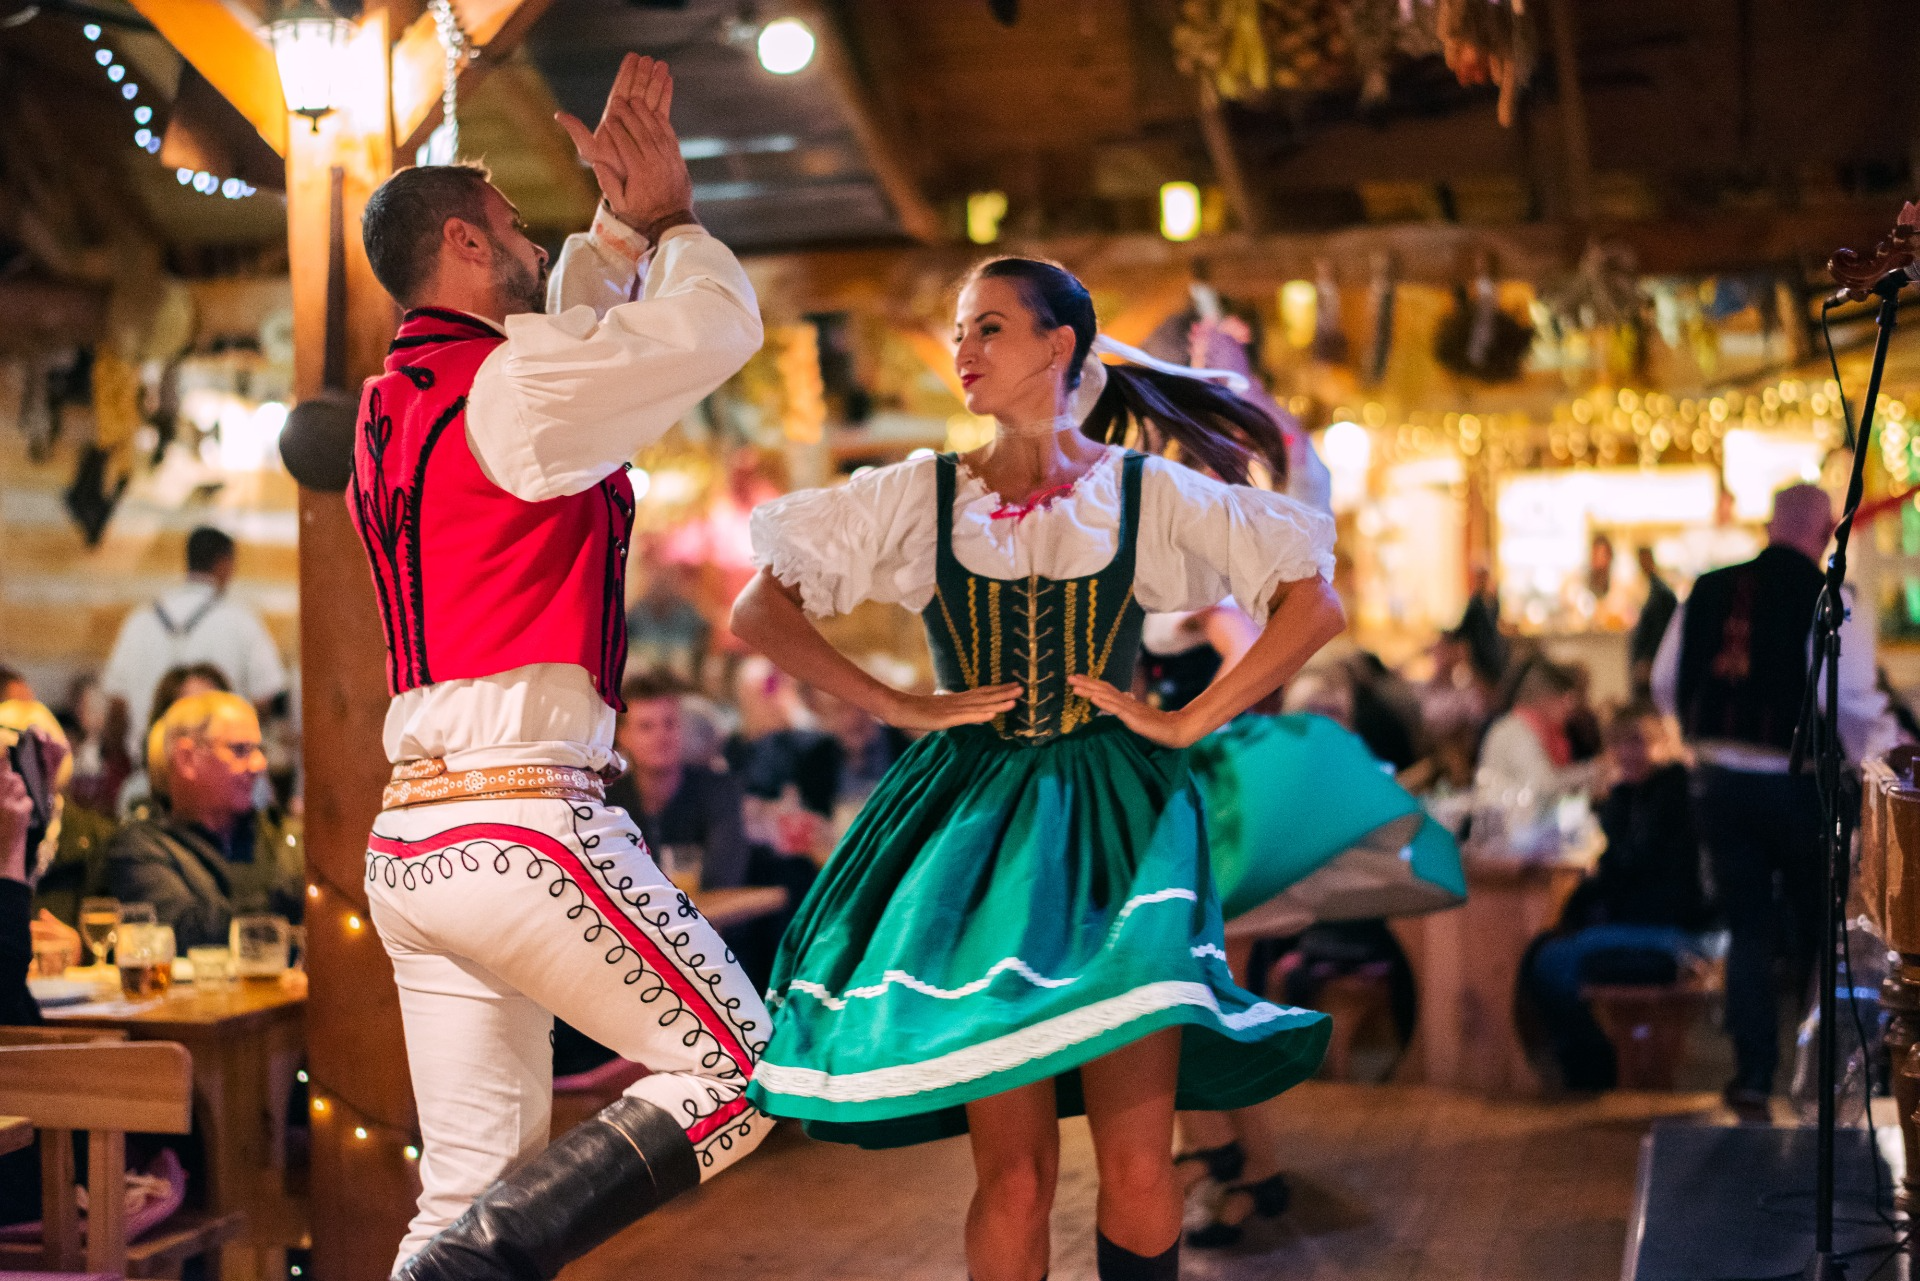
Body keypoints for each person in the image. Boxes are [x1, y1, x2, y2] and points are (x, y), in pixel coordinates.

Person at [733, 254, 1350, 1281]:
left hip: (1120, 825)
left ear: (1059, 345)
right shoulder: (921, 494)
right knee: (1012, 1176)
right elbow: (760, 607)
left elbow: (1312, 601)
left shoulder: (1144, 496)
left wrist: (1193, 719)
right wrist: (896, 704)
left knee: (1139, 1159)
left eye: (990, 329)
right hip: (975, 837)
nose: (964, 352)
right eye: (962, 332)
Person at [348, 56, 771, 1281]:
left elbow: (561, 344)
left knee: (464, 1189)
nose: (536, 246)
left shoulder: (401, 401)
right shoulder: (516, 390)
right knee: (741, 1072)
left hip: (416, 852)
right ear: (470, 244)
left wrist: (612, 230)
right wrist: (673, 223)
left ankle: (461, 1259)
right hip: (522, 828)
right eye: (519, 228)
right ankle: (474, 1269)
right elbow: (706, 329)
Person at [1652, 483, 1903, 1112]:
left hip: (1716, 782)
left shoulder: (1705, 588)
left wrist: (1698, 738)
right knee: (1822, 924)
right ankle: (1819, 1078)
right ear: (1825, 534)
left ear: (1769, 525)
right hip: (1791, 784)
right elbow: (1843, 700)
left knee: (1748, 927)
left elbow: (1664, 680)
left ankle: (1753, 1074)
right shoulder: (1830, 597)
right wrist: (1884, 754)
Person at [1523, 702, 1711, 1089]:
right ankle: (1593, 1063)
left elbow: (1633, 865)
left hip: (1671, 932)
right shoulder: (1630, 796)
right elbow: (1617, 870)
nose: (1628, 754)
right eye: (1620, 745)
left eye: (1638, 743)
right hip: (1644, 922)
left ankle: (1595, 1070)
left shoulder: (1673, 791)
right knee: (1542, 948)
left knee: (1548, 960)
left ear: (1660, 745)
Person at [102, 692, 302, 948]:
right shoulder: (141, 848)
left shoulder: (283, 835)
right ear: (187, 759)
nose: (259, 764)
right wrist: (291, 898)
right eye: (240, 750)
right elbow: (184, 934)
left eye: (259, 750)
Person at [99, 526, 287, 754]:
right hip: (220, 766)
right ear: (224, 563)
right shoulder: (241, 621)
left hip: (150, 763)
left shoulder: (140, 620)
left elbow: (118, 707)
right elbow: (265, 699)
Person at [1628, 546, 1677, 694]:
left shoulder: (1659, 592)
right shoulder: (1655, 588)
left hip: (1654, 658)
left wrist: (1648, 657)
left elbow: (1660, 629)